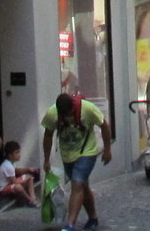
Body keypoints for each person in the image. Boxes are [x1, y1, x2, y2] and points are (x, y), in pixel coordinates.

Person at [41, 93, 113, 231]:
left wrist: (107, 150)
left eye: (70, 113)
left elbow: (104, 125)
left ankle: (70, 224)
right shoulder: (52, 114)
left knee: (77, 184)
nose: (68, 116)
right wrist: (46, 159)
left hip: (87, 152)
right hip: (67, 155)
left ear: (73, 107)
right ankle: (93, 218)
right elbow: (48, 135)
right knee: (83, 187)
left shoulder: (88, 109)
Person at [0, 140, 38, 207]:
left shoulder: (11, 162)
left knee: (30, 178)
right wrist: (25, 181)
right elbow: (14, 182)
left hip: (10, 184)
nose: (19, 155)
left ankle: (33, 198)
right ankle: (29, 199)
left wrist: (28, 170)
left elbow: (17, 171)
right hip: (4, 189)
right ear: (10, 155)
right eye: (16, 153)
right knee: (18, 187)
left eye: (19, 152)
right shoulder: (7, 166)